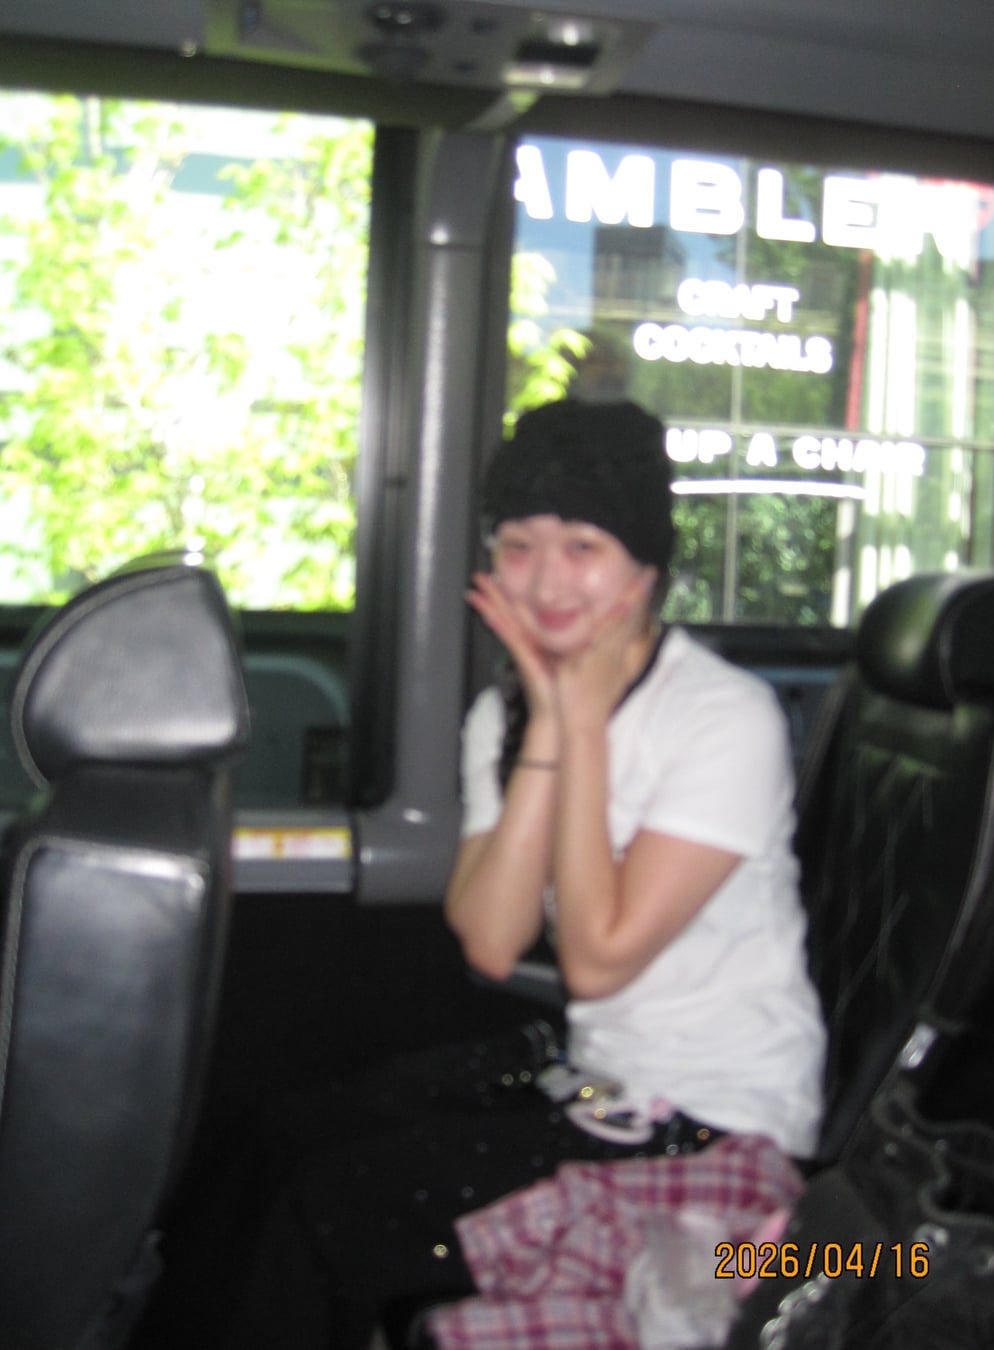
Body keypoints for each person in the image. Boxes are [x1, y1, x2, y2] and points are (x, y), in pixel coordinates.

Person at [226, 398, 824, 1350]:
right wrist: (548, 722)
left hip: (715, 1118)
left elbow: (596, 961)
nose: (546, 581)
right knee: (285, 1132)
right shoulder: (502, 717)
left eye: (584, 546)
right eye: (517, 546)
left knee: (332, 1208)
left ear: (647, 566)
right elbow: (493, 942)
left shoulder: (723, 718)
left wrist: (581, 727)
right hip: (599, 1083)